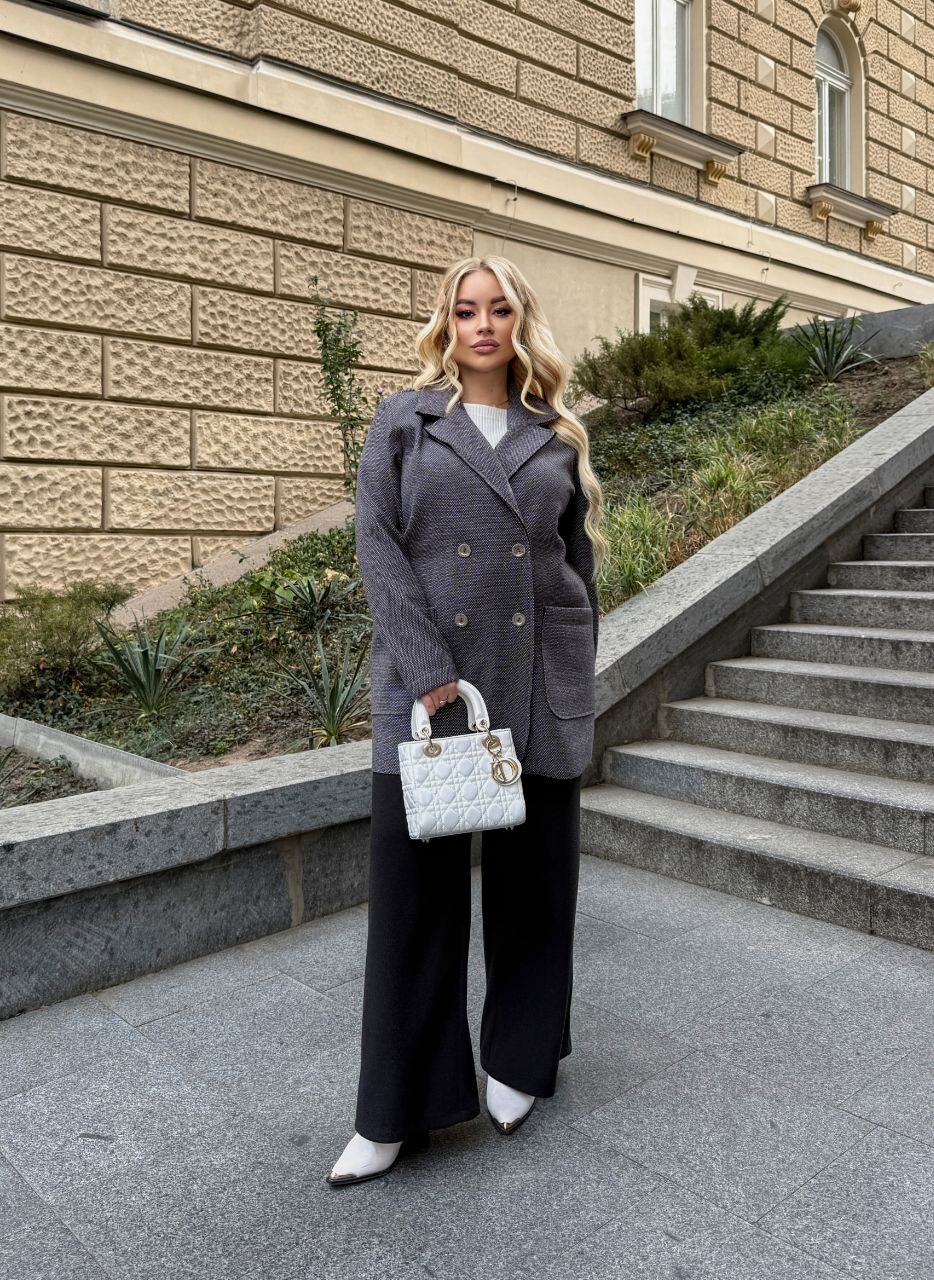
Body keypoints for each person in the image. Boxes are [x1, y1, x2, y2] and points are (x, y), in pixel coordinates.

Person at [327, 255, 607, 1187]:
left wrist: (574, 666)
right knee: (414, 904)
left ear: (521, 321)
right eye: (465, 310)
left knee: (536, 890)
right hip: (430, 691)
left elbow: (576, 567)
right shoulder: (404, 420)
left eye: (498, 309)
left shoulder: (553, 432)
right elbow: (376, 543)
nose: (482, 325)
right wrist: (428, 669)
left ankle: (520, 1061)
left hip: (536, 682)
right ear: (445, 324)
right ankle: (394, 1112)